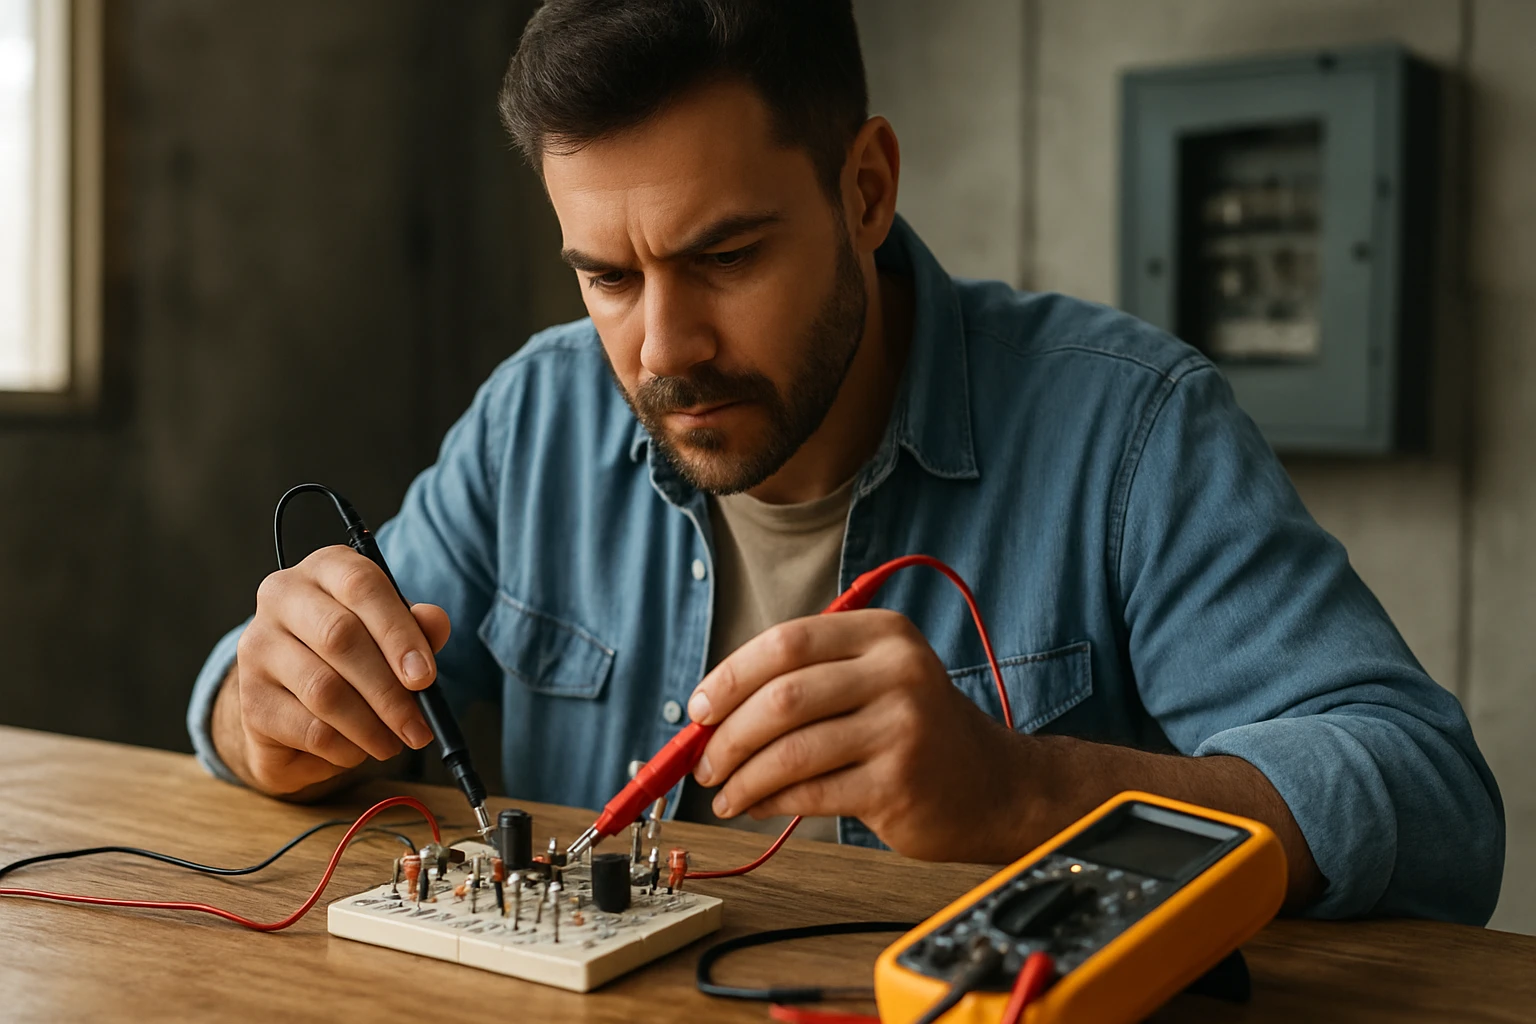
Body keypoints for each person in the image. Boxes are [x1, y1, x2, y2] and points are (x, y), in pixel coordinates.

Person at [187, 0, 1503, 922]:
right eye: (606, 275)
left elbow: (1431, 806)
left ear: (866, 188)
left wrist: (1020, 792)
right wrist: (271, 707)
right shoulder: (538, 415)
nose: (663, 349)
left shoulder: (1131, 427)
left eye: (725, 256)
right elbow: (272, 716)